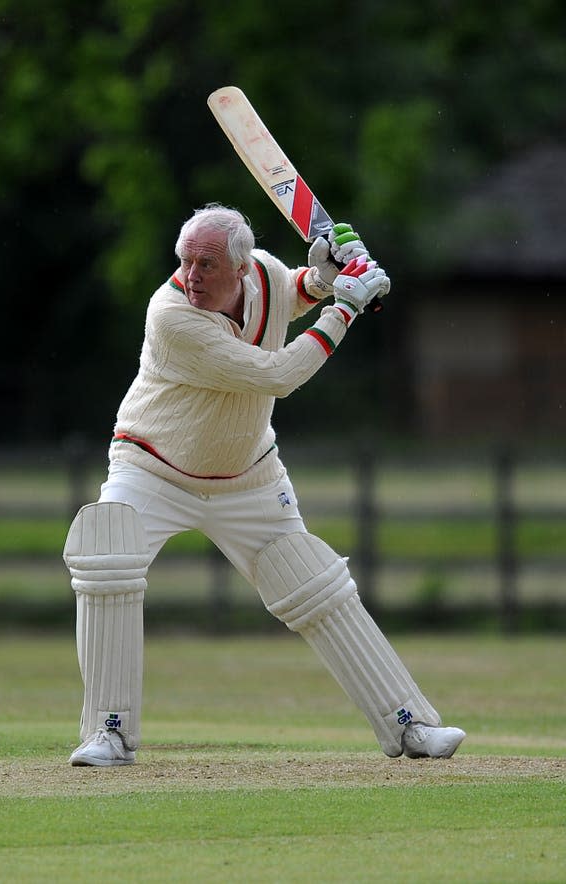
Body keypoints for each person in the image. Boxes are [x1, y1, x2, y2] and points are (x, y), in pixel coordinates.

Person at [63, 204, 465, 766]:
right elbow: (276, 374)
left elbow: (296, 291)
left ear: (241, 268)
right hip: (152, 466)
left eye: (206, 264)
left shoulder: (266, 273)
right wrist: (347, 304)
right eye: (185, 261)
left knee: (315, 582)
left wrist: (327, 275)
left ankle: (411, 727)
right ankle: (108, 732)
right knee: (107, 551)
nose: (191, 275)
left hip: (249, 475)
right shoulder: (171, 315)